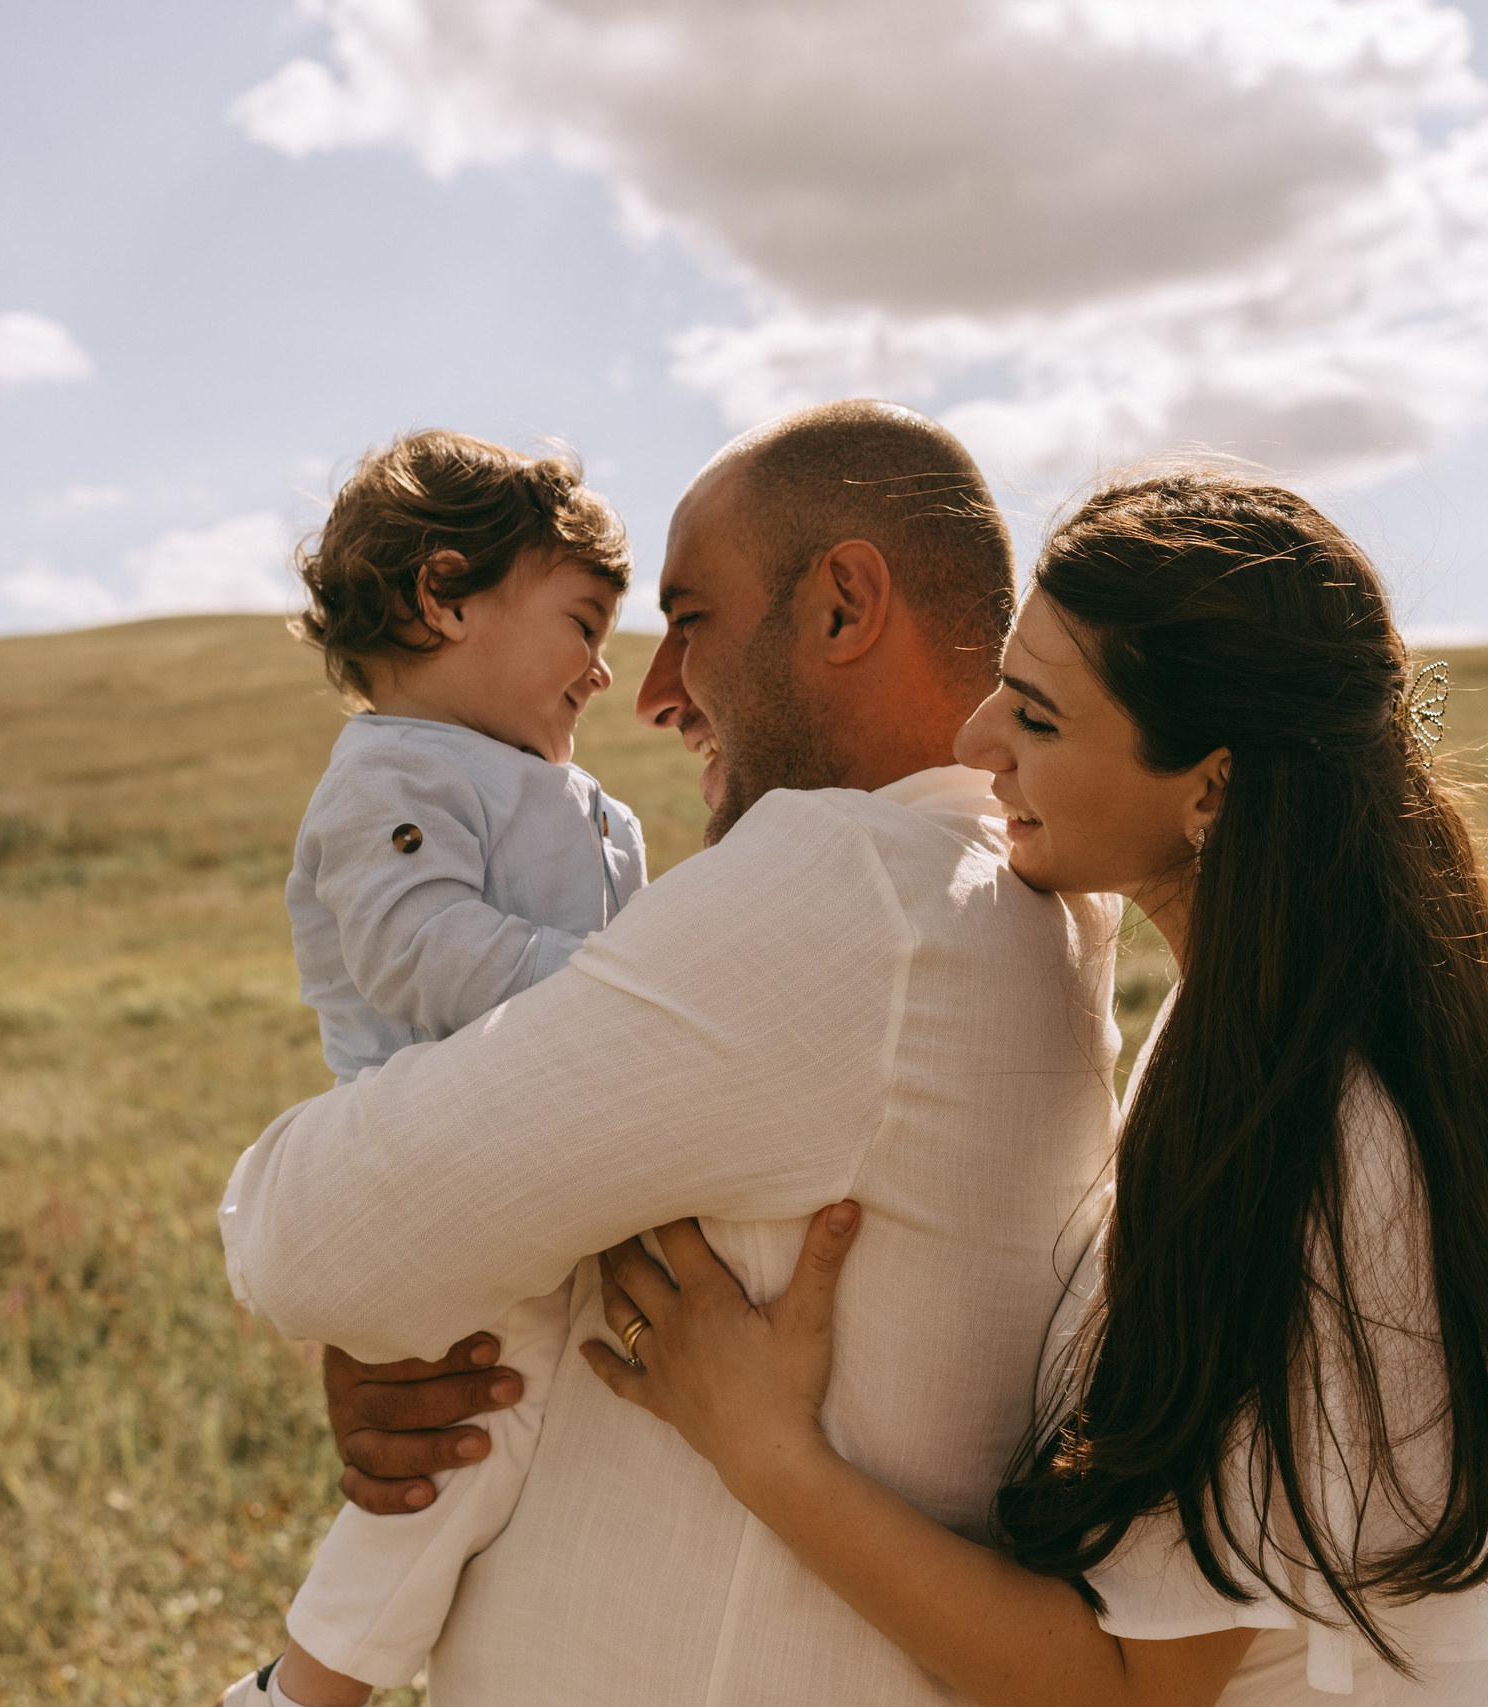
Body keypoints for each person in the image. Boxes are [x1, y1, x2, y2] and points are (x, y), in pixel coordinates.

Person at [580, 469, 1488, 1705]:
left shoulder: (1314, 1151)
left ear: (1210, 786)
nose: (975, 744)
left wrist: (763, 1449)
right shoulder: (1320, 1003)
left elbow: (1127, 1692)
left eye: (1037, 718)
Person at [219, 400, 1127, 1705]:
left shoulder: (840, 885)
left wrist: (393, 1288)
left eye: (688, 619)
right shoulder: (1029, 903)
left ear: (843, 606)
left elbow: (312, 1245)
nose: (646, 693)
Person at [222, 431, 648, 1707]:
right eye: (582, 623)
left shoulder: (578, 801)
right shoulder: (398, 770)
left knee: (528, 1439)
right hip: (438, 1153)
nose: (604, 668)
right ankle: (301, 1692)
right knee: (473, 1442)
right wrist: (634, 990)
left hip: (539, 1154)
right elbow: (420, 952)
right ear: (445, 598)